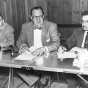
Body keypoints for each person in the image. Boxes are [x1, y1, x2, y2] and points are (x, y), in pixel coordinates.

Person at [16, 6, 60, 88]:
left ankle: (41, 81)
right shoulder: (25, 27)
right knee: (16, 66)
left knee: (45, 73)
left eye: (40, 16)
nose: (38, 19)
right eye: (35, 17)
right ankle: (37, 81)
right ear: (31, 17)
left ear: (43, 16)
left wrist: (44, 48)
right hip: (31, 56)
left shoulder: (51, 26)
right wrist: (23, 46)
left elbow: (56, 43)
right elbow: (19, 42)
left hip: (47, 56)